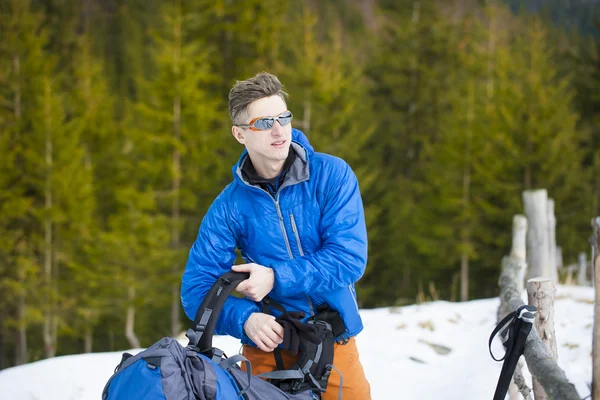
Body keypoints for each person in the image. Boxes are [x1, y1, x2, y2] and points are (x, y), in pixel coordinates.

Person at [181, 72, 371, 400]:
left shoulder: (331, 175)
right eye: (264, 122)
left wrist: (275, 277)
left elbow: (348, 259)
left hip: (335, 345)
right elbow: (196, 290)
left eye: (283, 117)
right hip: (268, 350)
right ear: (239, 134)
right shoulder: (229, 207)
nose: (278, 129)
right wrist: (244, 320)